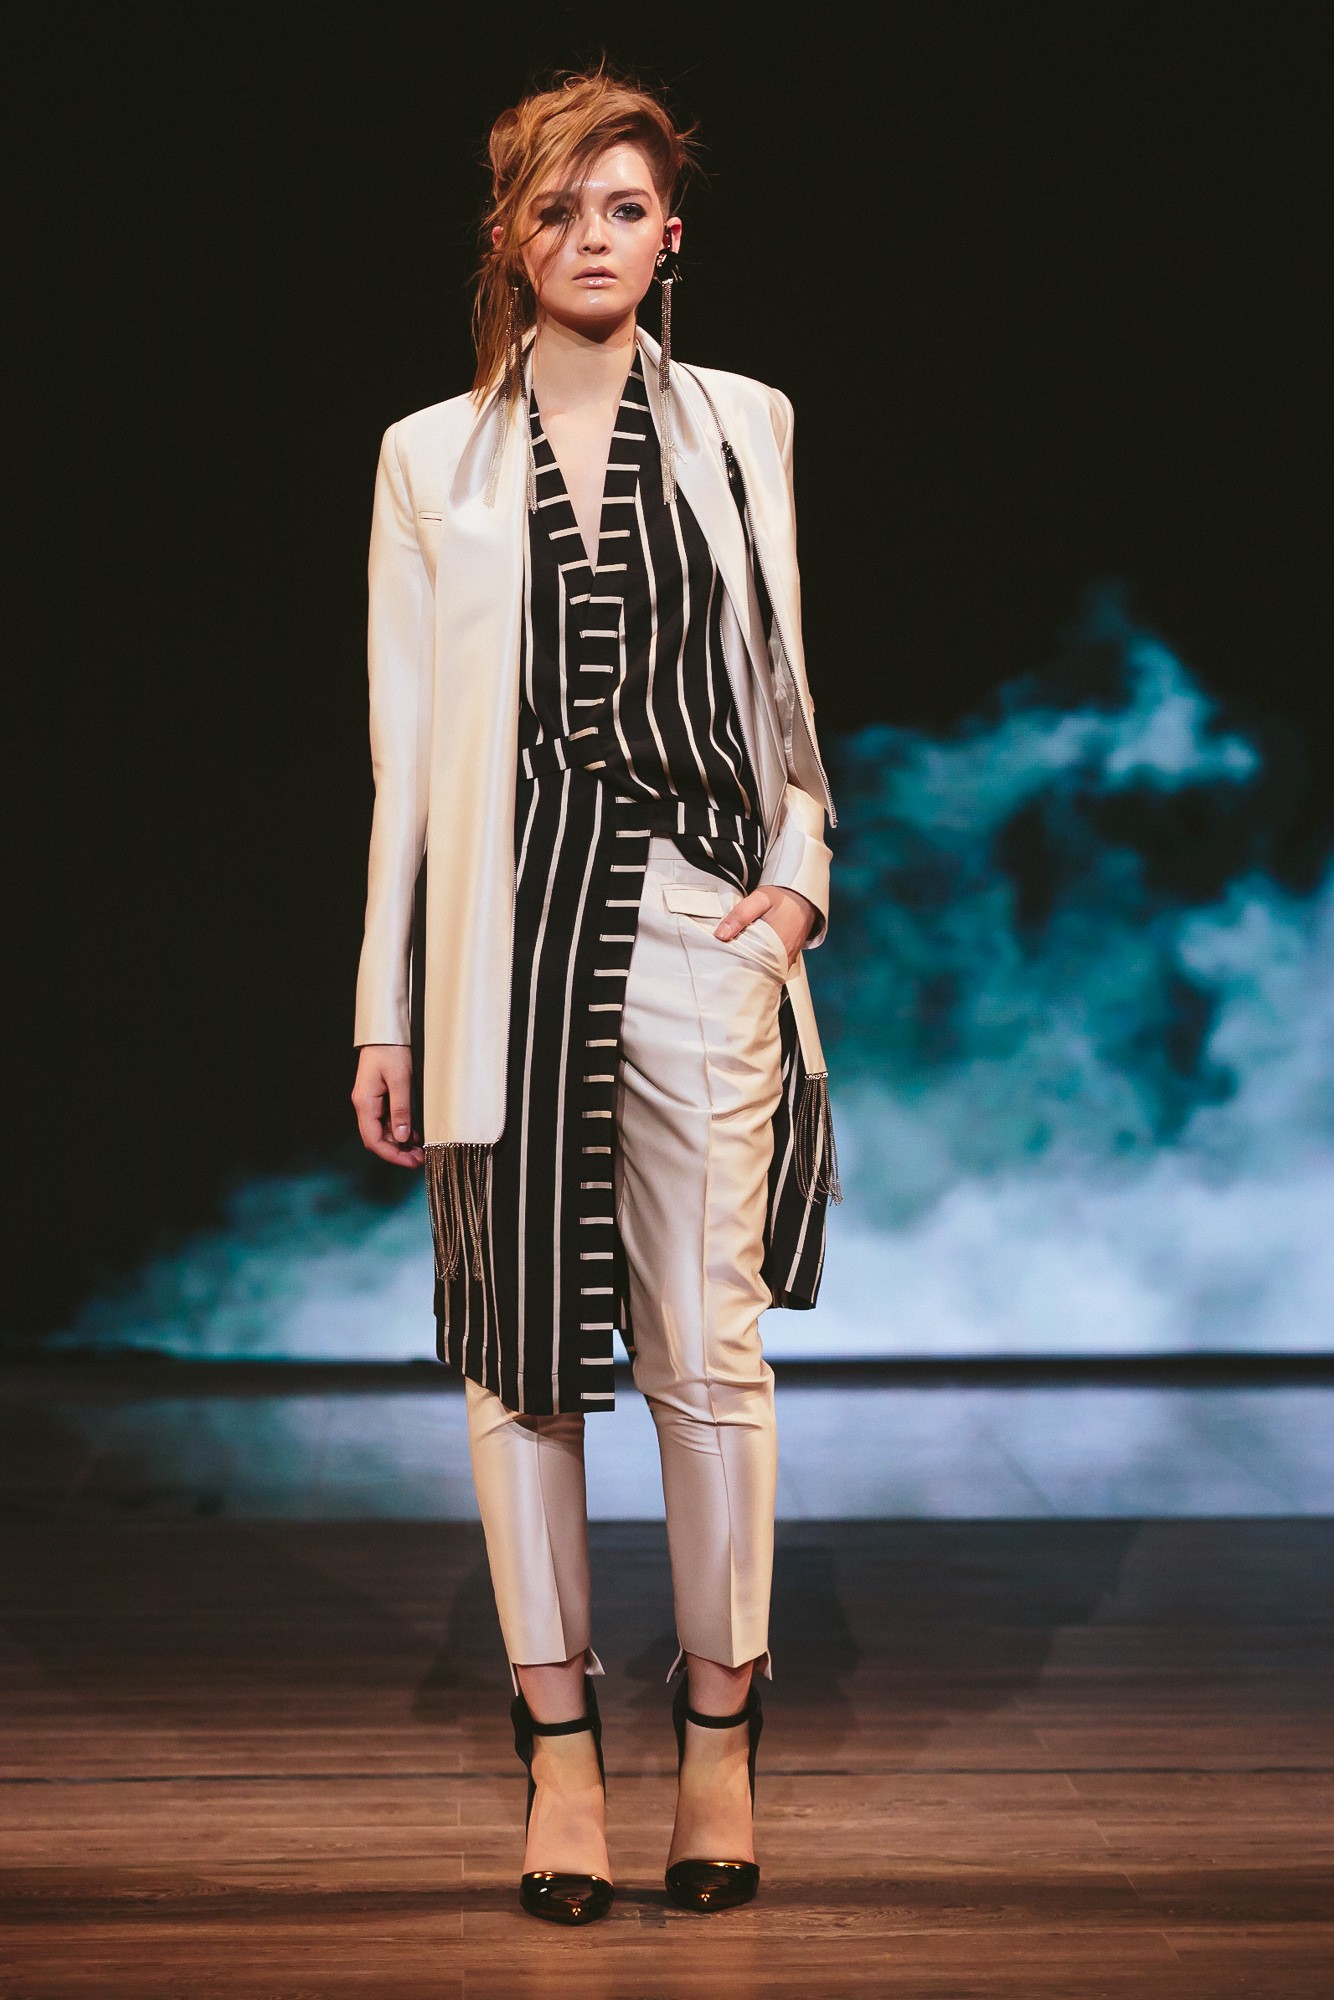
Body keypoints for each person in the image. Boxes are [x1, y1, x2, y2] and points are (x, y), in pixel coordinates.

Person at [350, 66, 839, 1925]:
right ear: (509, 236)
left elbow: (781, 681)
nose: (591, 237)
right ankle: (559, 1755)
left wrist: (795, 885)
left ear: (669, 234)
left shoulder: (743, 421)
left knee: (706, 1358)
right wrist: (385, 1003)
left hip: (699, 924)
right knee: (519, 1363)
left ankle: (717, 1735)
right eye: (558, 209)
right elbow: (404, 756)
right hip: (506, 944)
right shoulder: (430, 458)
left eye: (622, 206)